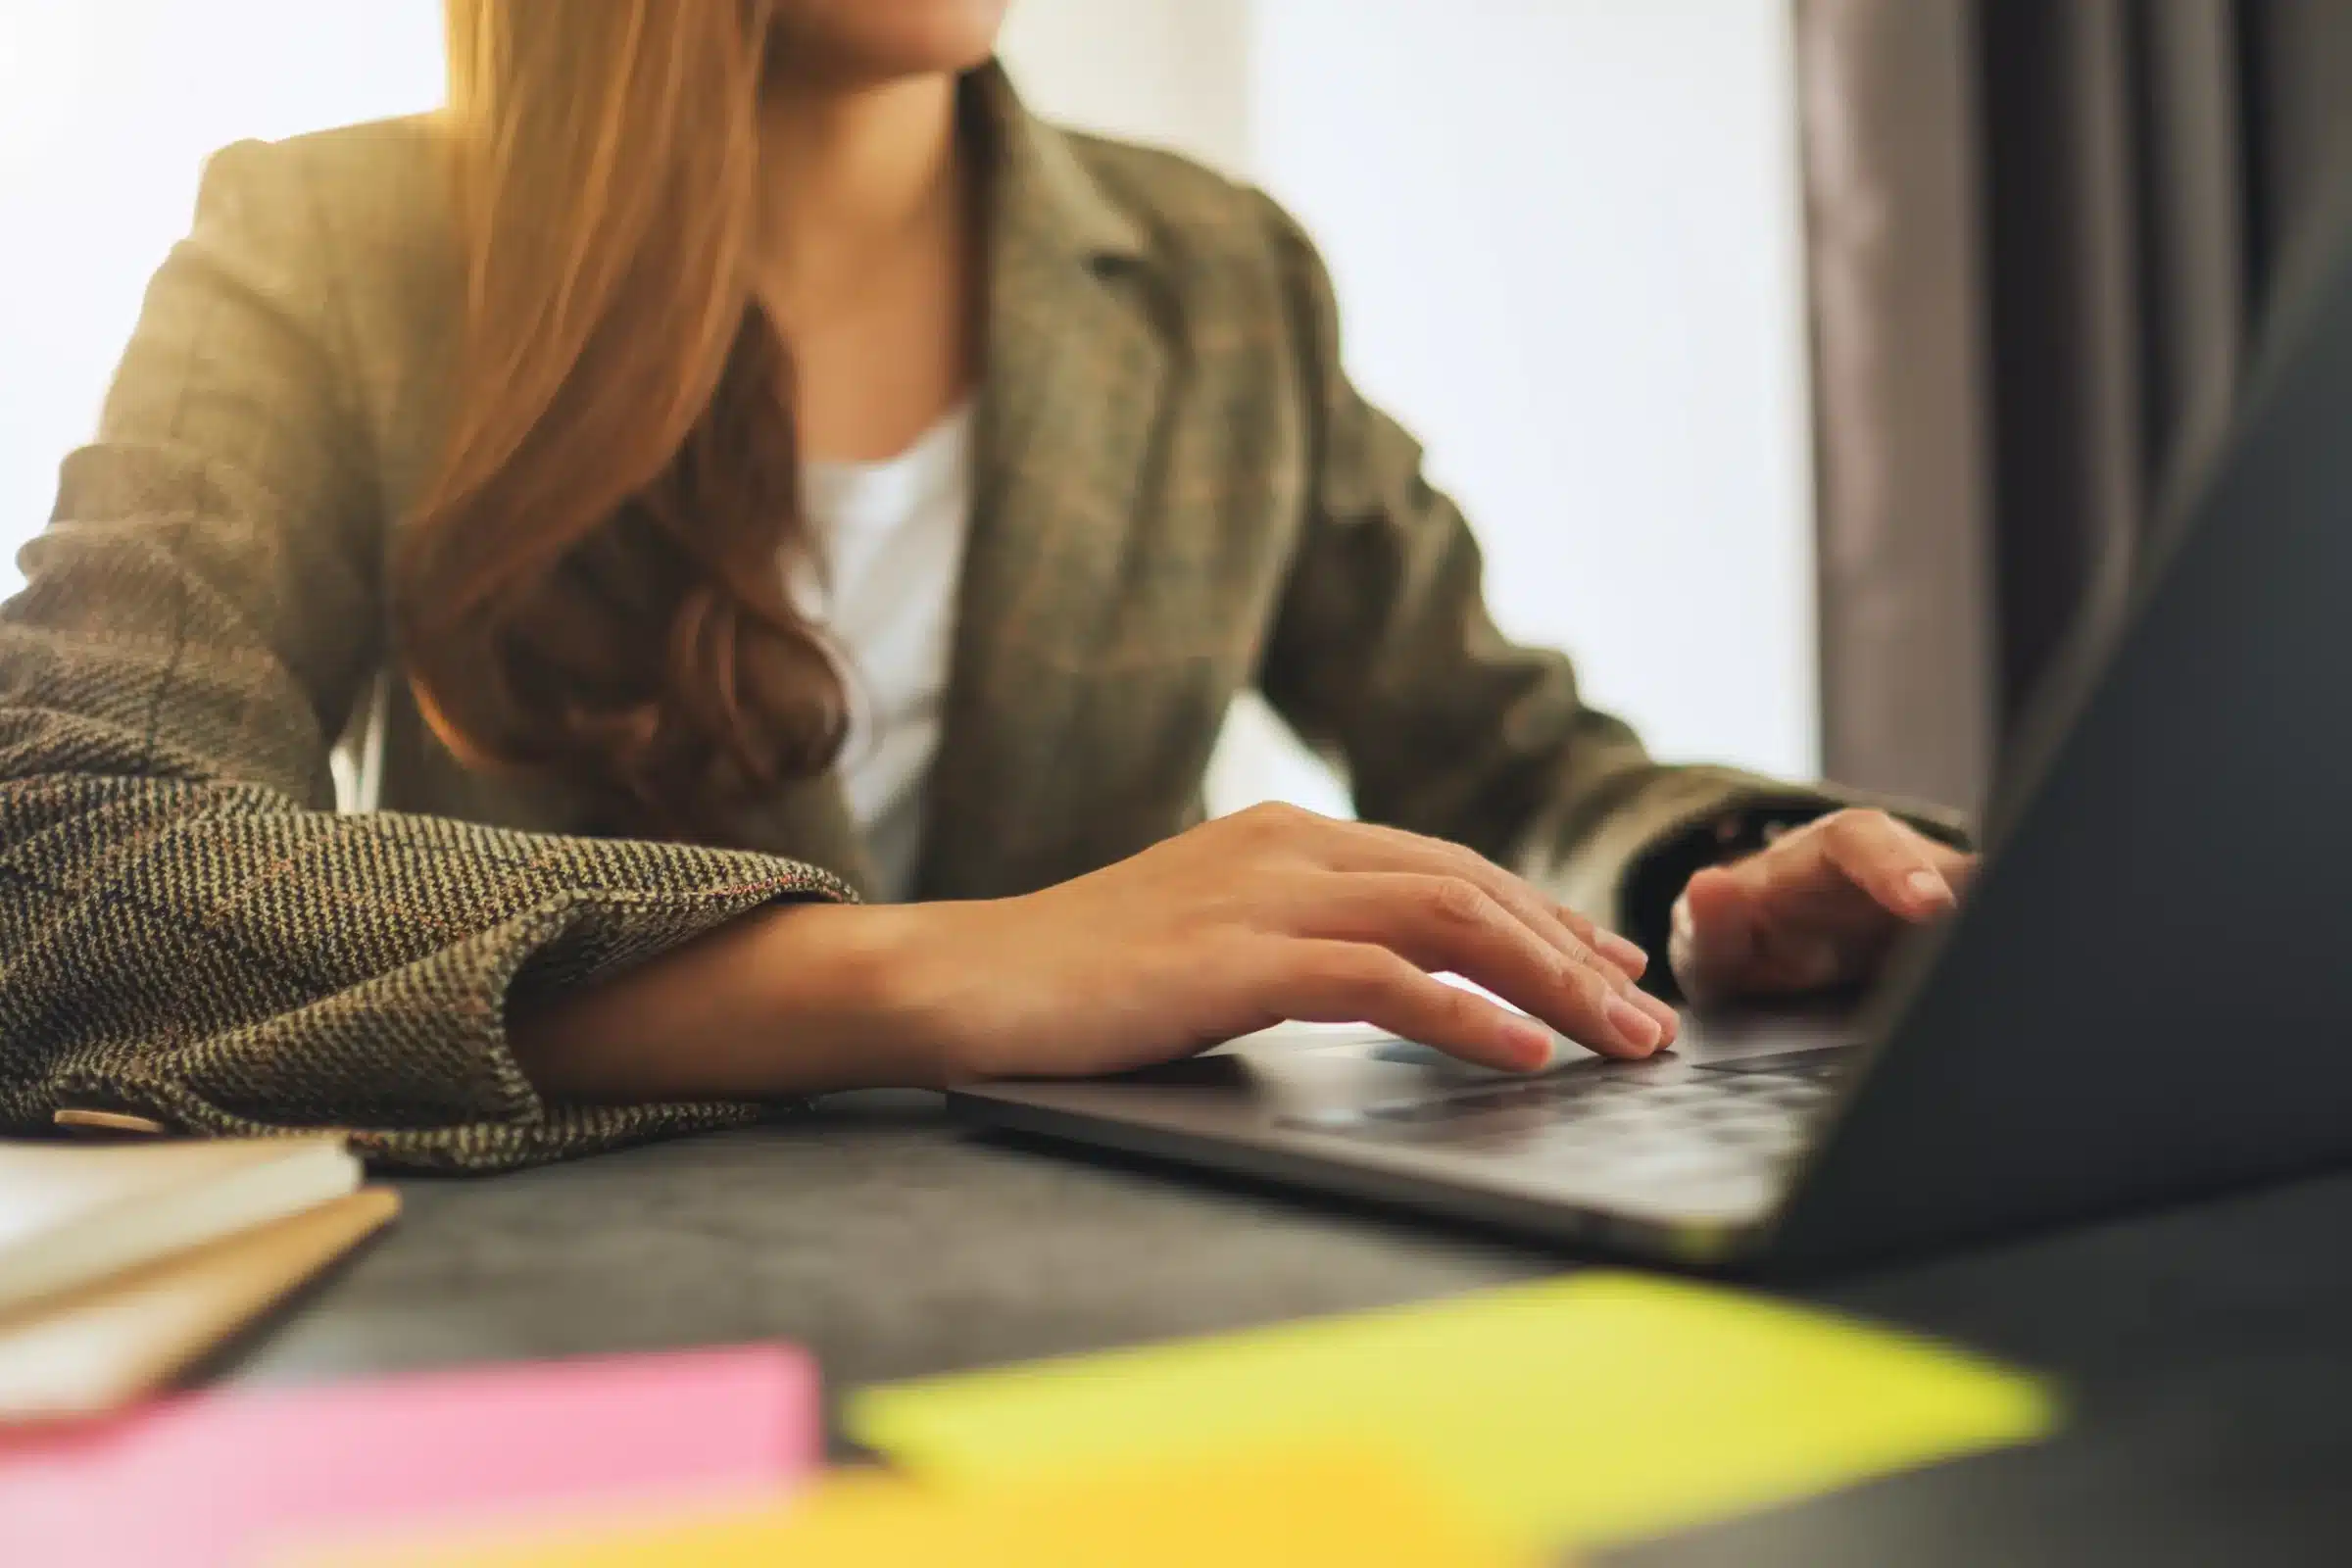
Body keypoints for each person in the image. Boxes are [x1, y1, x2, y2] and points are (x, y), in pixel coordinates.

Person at [0, 0, 1971, 1171]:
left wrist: (1718, 872)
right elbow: (64, 870)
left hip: (1113, 1328)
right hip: (570, 1355)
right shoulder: (326, 248)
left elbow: (1507, 754)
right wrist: (933, 968)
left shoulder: (1220, 278)